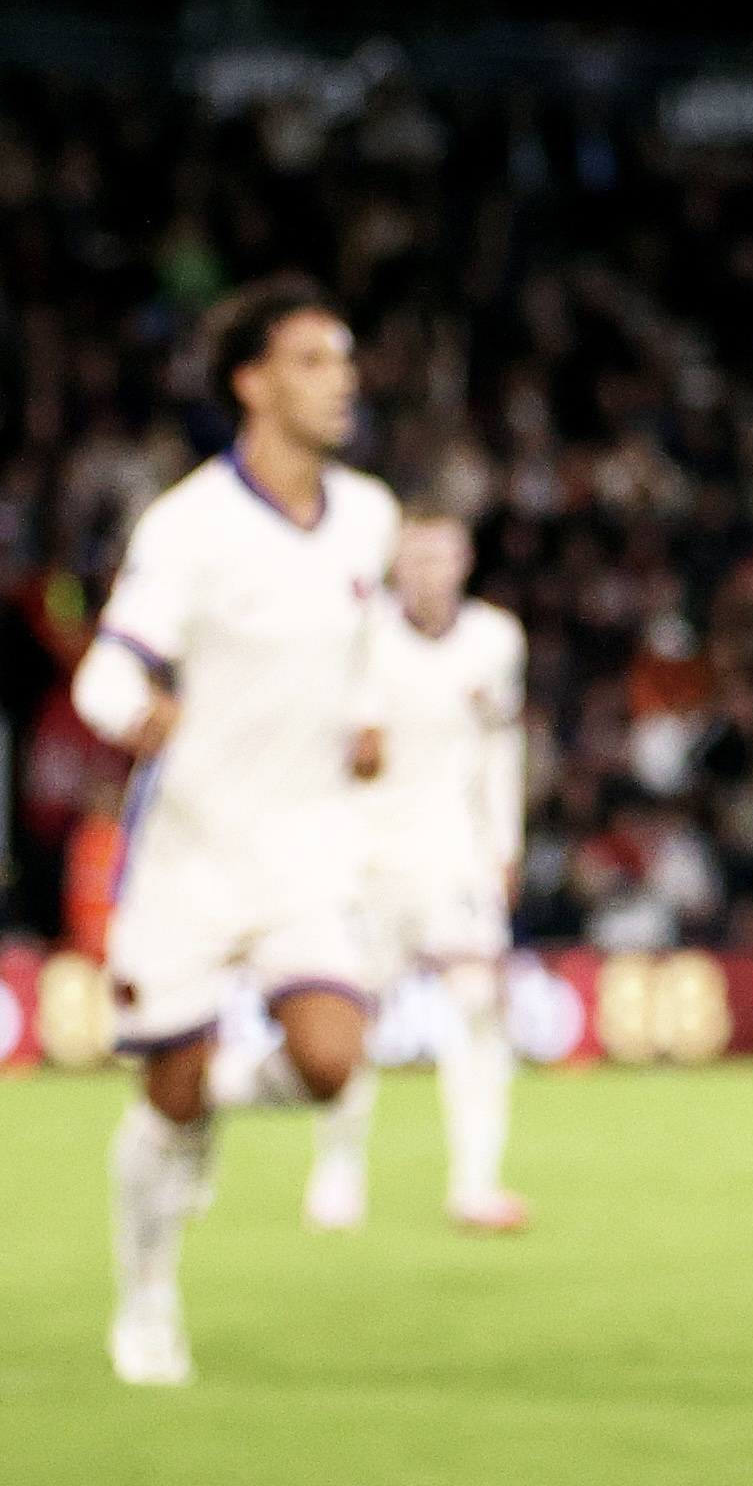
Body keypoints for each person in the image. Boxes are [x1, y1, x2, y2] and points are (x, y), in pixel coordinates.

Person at [69, 276, 400, 1385]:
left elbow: (364, 652)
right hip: (190, 852)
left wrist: (366, 722)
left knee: (329, 1058)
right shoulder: (190, 524)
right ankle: (147, 1302)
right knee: (164, 1095)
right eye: (314, 360)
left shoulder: (370, 514)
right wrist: (134, 711)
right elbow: (111, 666)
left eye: (344, 358)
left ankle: (206, 1095)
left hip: (306, 848)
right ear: (252, 382)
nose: (340, 378)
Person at [300, 508, 529, 1233]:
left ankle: (475, 1184)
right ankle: (337, 1175)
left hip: (454, 855)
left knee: (477, 1006)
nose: (429, 573)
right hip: (367, 857)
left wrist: (506, 844)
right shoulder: (362, 638)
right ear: (397, 566)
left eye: (442, 558)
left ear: (464, 562)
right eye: (416, 559)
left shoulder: (496, 640)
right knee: (350, 1019)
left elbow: (501, 747)